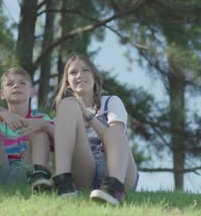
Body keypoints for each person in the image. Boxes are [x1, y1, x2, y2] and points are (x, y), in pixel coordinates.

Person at [52, 53, 138, 205]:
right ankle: (63, 184)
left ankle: (113, 191)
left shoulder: (111, 102)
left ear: (95, 77)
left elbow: (116, 137)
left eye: (85, 70)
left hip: (117, 170)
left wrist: (89, 116)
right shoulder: (67, 111)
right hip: (85, 171)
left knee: (115, 131)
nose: (79, 75)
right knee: (67, 104)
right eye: (73, 72)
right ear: (67, 84)